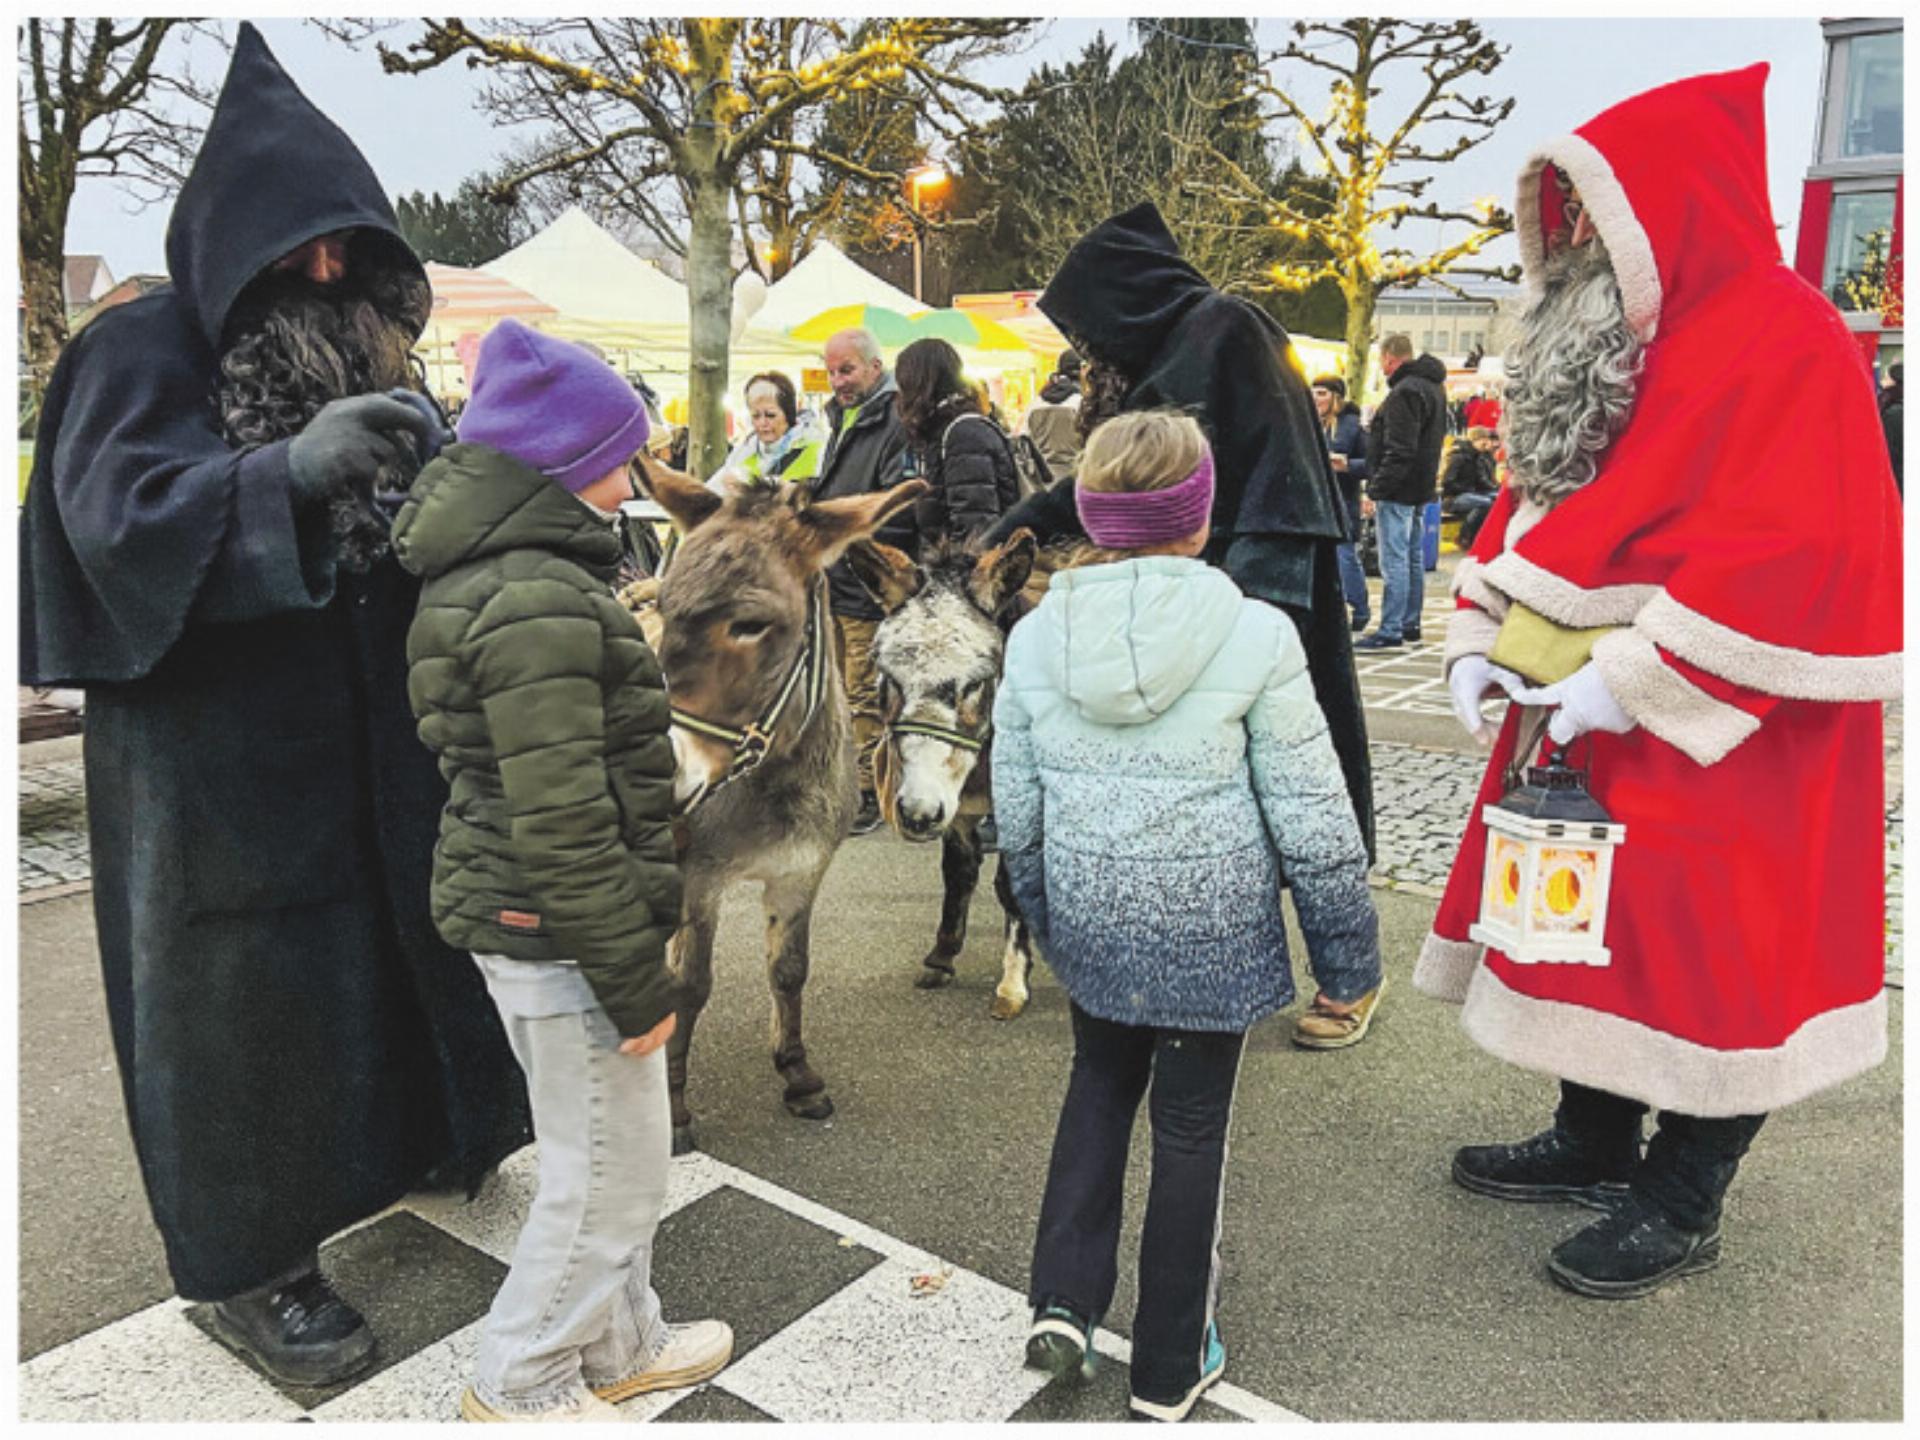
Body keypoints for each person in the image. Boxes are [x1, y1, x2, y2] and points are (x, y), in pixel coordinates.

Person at [17, 25, 533, 1386]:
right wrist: (281, 480)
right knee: (237, 1014)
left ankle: (426, 1137)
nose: (320, 274)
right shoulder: (136, 350)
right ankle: (253, 1267)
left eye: (345, 252)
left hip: (373, 747)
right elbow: (114, 523)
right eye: (295, 249)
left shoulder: (371, 353)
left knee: (383, 961)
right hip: (216, 772)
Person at [1419, 65, 1901, 1299]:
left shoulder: (1787, 337)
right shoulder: (1618, 345)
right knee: (1599, 932)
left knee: (1717, 955)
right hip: (1599, 716)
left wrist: (1639, 675)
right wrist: (1480, 631)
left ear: (1663, 208)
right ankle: (1594, 1136)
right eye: (1564, 213)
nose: (1571, 242)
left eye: (1594, 211)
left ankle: (1684, 1198)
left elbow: (1811, 545)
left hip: (1731, 730)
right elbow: (1542, 509)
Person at [995, 411, 1380, 1422]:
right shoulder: (1255, 634)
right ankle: (1170, 1362)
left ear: (1091, 513)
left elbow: (1018, 809)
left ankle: (1065, 1301)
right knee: (1191, 1132)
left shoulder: (1037, 637)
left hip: (1092, 917)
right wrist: (1346, 957)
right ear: (1199, 520)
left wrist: (1043, 912)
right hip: (1210, 927)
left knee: (1096, 1090)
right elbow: (1314, 811)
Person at [395, 319, 732, 1421]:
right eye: (630, 448)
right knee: (610, 1180)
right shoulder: (535, 595)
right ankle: (523, 1377)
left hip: (542, 918)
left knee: (605, 1159)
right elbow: (562, 821)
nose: (646, 466)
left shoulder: (524, 572)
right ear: (579, 460)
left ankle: (622, 1344)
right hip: (558, 928)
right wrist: (639, 984)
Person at [983, 203, 1374, 861]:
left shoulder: (1227, 329)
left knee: (1264, 785)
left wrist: (1252, 616)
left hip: (1252, 583)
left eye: (1088, 332)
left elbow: (1281, 482)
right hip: (1198, 587)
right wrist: (1008, 534)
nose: (1087, 351)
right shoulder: (1173, 353)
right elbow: (1113, 488)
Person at [810, 327, 912, 835]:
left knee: (864, 689)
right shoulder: (846, 415)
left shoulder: (891, 416)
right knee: (841, 688)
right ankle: (850, 782)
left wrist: (848, 536)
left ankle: (868, 791)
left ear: (875, 367)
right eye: (831, 371)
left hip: (865, 578)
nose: (837, 381)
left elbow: (894, 502)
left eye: (846, 369)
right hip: (837, 575)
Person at [1354, 334, 1448, 650]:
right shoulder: (1433, 387)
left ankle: (1391, 627)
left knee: (1394, 559)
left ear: (1390, 358)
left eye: (1382, 361)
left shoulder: (1404, 392)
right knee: (1412, 557)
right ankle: (1410, 622)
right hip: (1420, 485)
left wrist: (1376, 488)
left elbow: (1400, 449)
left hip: (1398, 487)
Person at [895, 337, 1021, 543]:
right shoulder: (942, 429)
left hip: (968, 568)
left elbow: (976, 527)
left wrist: (956, 570)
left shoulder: (963, 434)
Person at [1312, 374, 1370, 634]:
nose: (1316, 399)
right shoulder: (1310, 424)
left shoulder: (1352, 426)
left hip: (1343, 501)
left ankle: (1360, 608)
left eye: (1322, 393)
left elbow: (1371, 464)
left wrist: (1347, 465)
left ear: (1336, 397)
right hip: (1315, 502)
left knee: (1345, 557)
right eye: (1313, 392)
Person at [713, 370, 825, 489]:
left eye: (770, 415)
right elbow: (713, 489)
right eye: (756, 416)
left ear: (789, 414)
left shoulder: (817, 448)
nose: (762, 423)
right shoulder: (744, 451)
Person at [1022, 348, 1085, 482]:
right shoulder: (1081, 402)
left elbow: (1024, 438)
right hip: (1076, 477)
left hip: (1043, 479)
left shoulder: (1035, 403)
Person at [1439, 426, 1501, 549]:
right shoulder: (1458, 457)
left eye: (1487, 439)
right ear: (1474, 440)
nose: (1487, 442)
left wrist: (1497, 489)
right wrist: (1468, 489)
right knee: (1486, 503)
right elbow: (1447, 483)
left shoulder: (1478, 457)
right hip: (1453, 498)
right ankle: (1465, 536)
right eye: (1483, 439)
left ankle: (1479, 538)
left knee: (1496, 499)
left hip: (1470, 494)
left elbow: (1481, 481)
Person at [1879, 361, 1902, 495]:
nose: (1882, 381)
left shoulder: (1892, 410)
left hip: (1896, 474)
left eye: (1886, 377)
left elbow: (1889, 448)